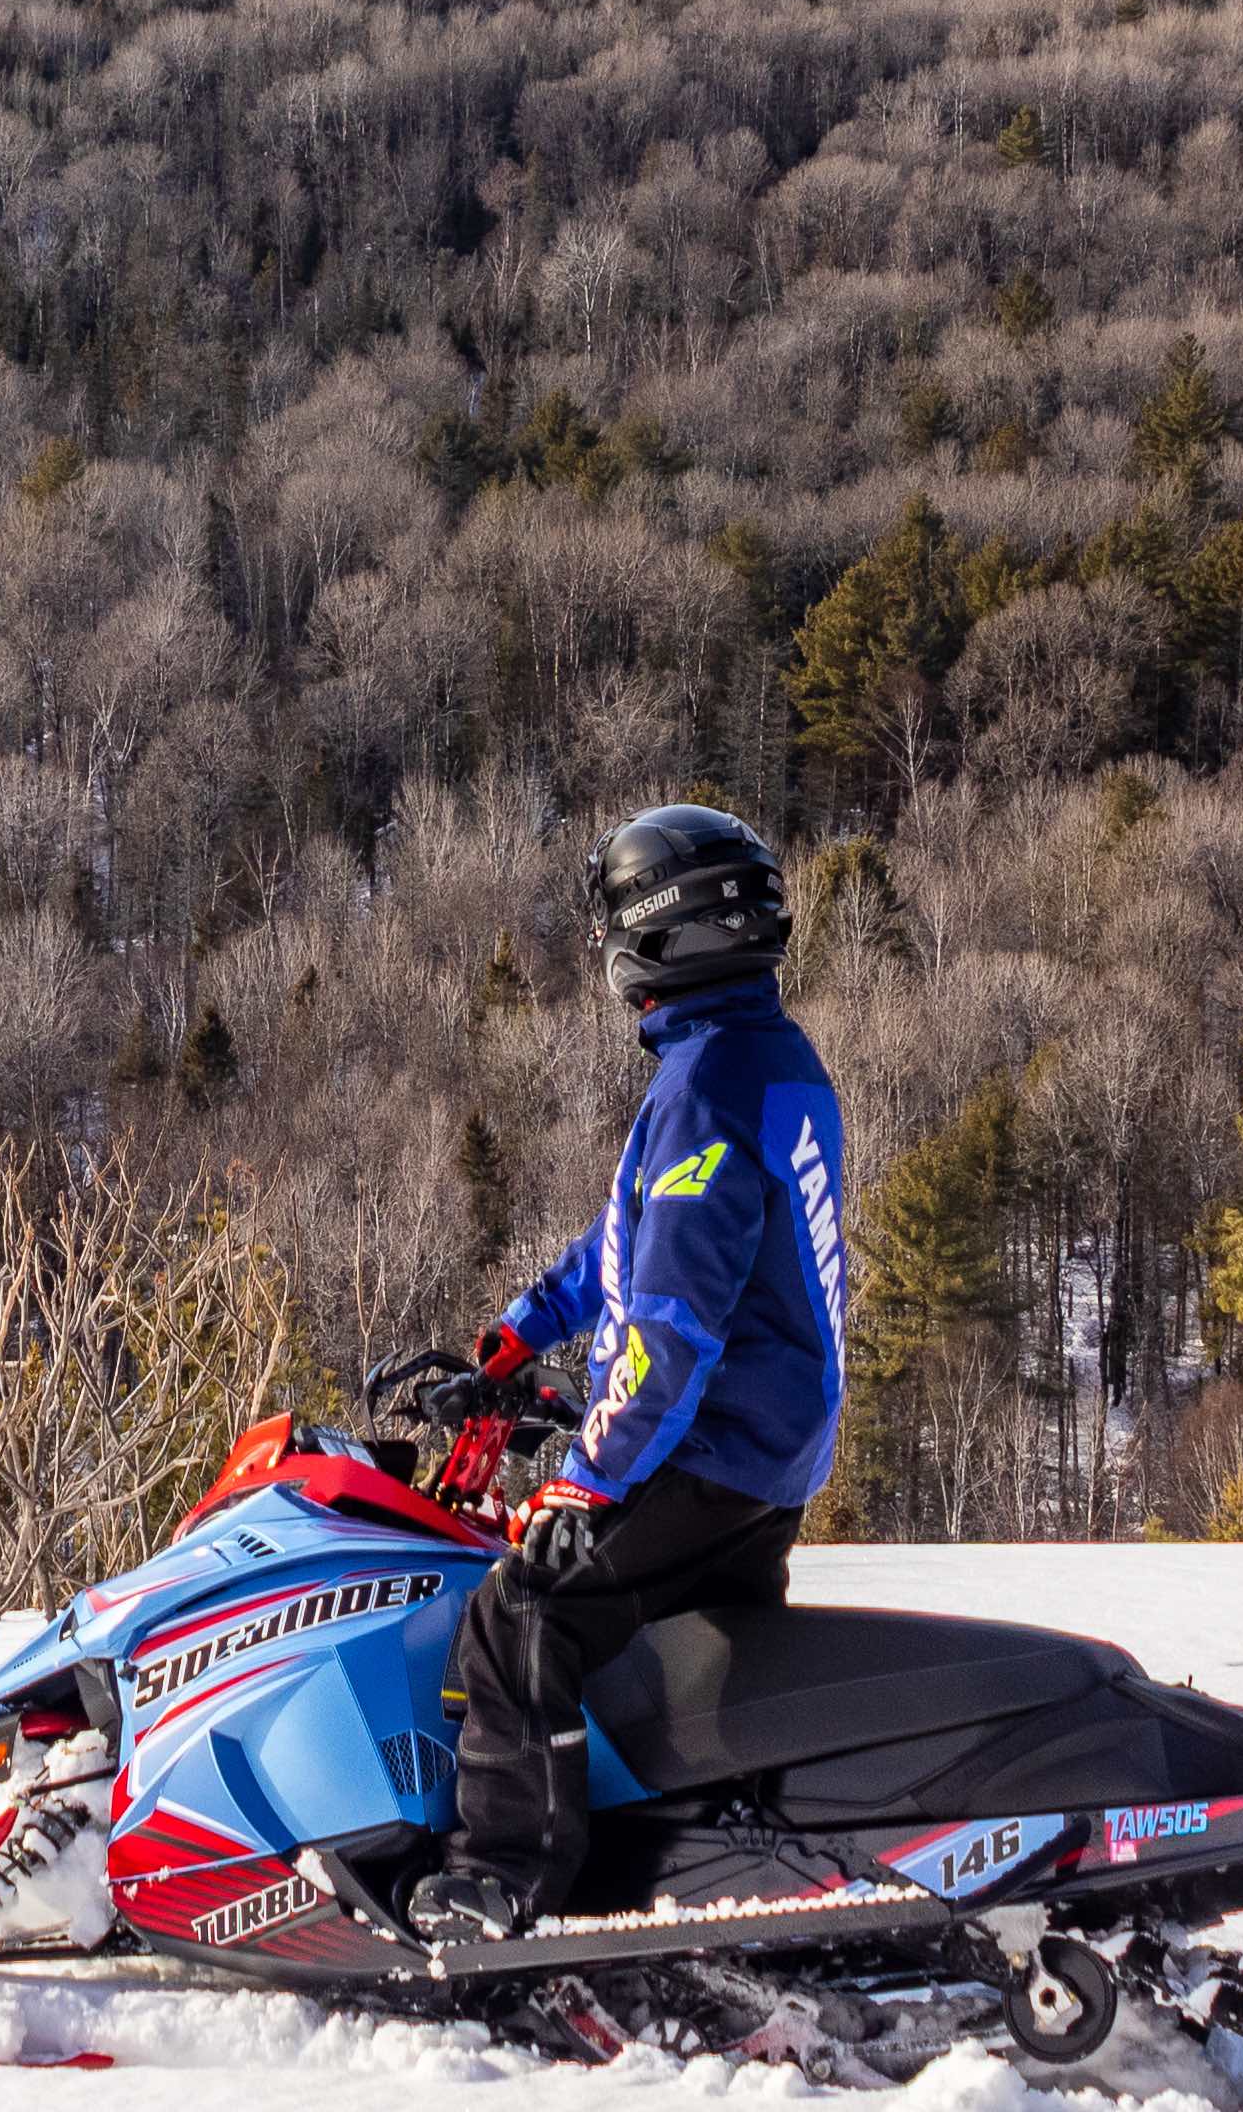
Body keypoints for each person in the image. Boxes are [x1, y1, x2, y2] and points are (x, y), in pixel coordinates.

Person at [405, 803, 851, 1949]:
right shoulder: (761, 1058)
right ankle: (697, 1852)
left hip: (704, 1443)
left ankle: (504, 1877)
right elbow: (627, 1243)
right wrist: (516, 1334)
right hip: (766, 1445)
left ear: (657, 935)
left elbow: (669, 1328)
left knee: (520, 1611)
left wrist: (589, 1481)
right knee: (687, 1656)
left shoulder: (701, 1087)